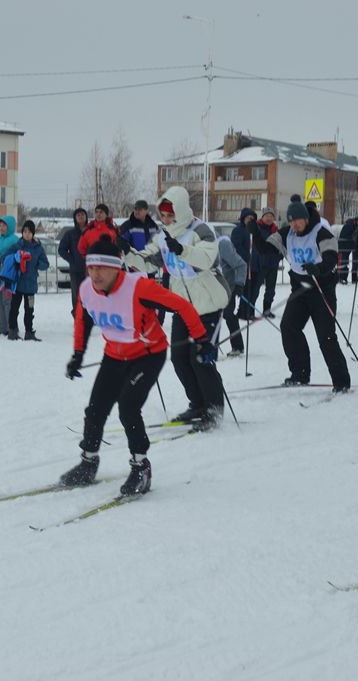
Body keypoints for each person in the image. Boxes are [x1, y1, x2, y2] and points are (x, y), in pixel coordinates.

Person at [60, 236, 216, 496]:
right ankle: (88, 462)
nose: (95, 274)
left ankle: (141, 467)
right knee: (96, 408)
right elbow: (83, 321)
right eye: (91, 267)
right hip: (114, 355)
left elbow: (182, 306)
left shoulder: (138, 288)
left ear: (116, 267)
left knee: (128, 407)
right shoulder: (87, 289)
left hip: (148, 354)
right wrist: (78, 354)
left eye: (101, 268)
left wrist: (202, 339)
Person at [124, 186, 229, 429]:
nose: (166, 219)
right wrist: (125, 252)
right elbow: (147, 261)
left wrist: (183, 250)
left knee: (201, 358)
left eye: (170, 214)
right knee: (180, 358)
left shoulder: (200, 230)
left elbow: (207, 259)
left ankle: (213, 409)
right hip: (184, 307)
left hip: (209, 304)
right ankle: (197, 404)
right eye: (163, 215)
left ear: (181, 212)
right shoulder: (162, 237)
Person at [265, 198, 351, 392]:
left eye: (298, 220)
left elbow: (330, 257)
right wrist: (253, 228)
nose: (295, 224)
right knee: (289, 327)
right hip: (300, 289)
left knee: (326, 337)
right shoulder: (288, 232)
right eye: (291, 220)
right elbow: (267, 249)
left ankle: (341, 381)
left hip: (322, 291)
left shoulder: (321, 232)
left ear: (305, 218)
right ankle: (300, 373)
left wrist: (318, 268)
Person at [3, 220, 49, 341]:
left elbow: (46, 264)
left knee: (29, 310)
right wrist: (15, 257)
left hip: (31, 285)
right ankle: (12, 331)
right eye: (24, 231)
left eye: (29, 232)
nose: (27, 234)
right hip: (17, 284)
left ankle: (29, 332)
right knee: (14, 309)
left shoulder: (38, 248)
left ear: (33, 233)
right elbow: (5, 257)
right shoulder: (17, 245)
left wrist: (36, 263)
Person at [243, 207, 283, 319]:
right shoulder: (257, 228)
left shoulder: (276, 230)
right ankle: (250, 311)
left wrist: (278, 257)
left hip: (272, 265)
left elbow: (281, 247)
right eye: (267, 216)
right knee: (255, 290)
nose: (269, 218)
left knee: (270, 290)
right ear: (263, 217)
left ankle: (267, 310)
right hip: (259, 265)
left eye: (271, 216)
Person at [217, 231, 248, 356]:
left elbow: (241, 264)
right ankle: (209, 349)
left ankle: (237, 346)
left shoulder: (222, 244)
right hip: (211, 289)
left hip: (227, 288)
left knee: (228, 315)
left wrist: (239, 284)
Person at [58, 208, 88, 317]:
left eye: (82, 214)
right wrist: (72, 260)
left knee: (90, 293)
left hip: (91, 270)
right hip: (76, 270)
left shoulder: (91, 231)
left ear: (86, 216)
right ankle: (77, 315)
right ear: (75, 218)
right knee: (77, 294)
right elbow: (61, 249)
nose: (80, 216)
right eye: (78, 215)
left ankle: (89, 316)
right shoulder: (70, 234)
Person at [338, 215, 358, 284]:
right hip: (344, 246)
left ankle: (355, 278)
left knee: (356, 262)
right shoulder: (349, 225)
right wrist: (355, 237)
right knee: (344, 262)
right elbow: (344, 236)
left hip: (354, 246)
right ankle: (342, 278)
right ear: (355, 220)